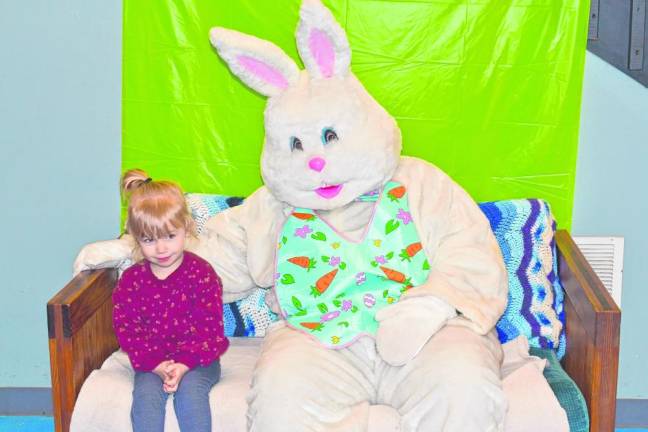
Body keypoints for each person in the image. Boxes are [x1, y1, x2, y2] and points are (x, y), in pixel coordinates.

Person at [112, 169, 229, 432]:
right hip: (152, 361)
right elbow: (128, 330)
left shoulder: (202, 274)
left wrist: (185, 364)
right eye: (149, 239)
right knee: (145, 400)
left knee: (190, 396)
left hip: (199, 360)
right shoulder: (131, 281)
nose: (161, 248)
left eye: (169, 236)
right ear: (135, 237)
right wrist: (156, 365)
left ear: (186, 228)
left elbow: (210, 330)